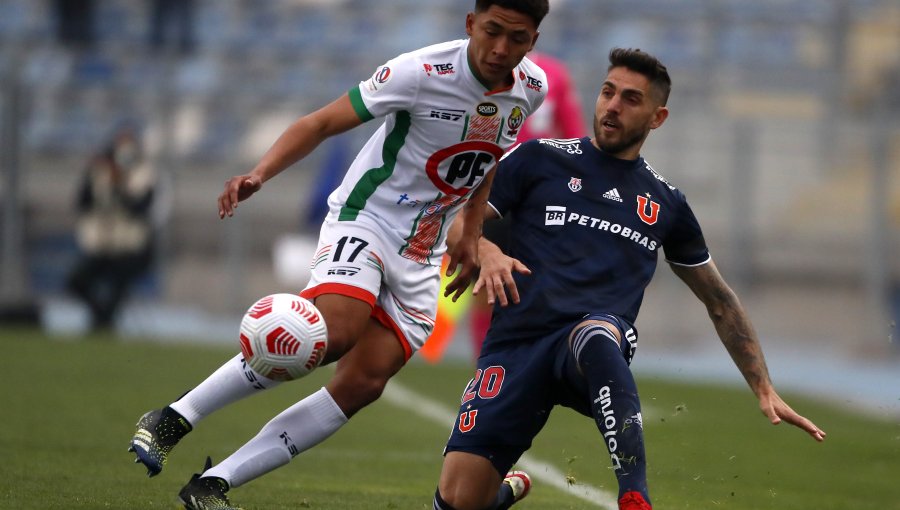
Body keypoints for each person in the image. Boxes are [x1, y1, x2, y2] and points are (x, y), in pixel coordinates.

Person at [128, 2, 550, 509]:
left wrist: (472, 226)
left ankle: (212, 484)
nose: (502, 48)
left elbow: (488, 157)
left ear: (534, 39)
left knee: (363, 383)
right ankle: (174, 418)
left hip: (422, 253)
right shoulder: (419, 72)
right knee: (334, 333)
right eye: (493, 31)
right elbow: (322, 121)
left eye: (518, 38)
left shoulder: (531, 88)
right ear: (469, 24)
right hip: (367, 219)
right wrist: (260, 174)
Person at [433, 48, 827, 510]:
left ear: (657, 117)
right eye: (607, 92)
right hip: (516, 344)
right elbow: (460, 224)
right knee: (458, 501)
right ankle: (506, 491)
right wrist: (488, 249)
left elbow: (720, 300)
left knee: (596, 335)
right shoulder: (538, 158)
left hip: (590, 343)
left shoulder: (666, 202)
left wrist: (763, 387)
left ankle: (634, 495)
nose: (613, 106)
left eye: (631, 99)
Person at [467, 50, 586, 357]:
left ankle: (500, 362)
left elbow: (573, 134)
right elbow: (574, 133)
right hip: (494, 188)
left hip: (530, 193)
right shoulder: (497, 67)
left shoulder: (550, 73)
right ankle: (487, 362)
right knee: (488, 278)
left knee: (520, 282)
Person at [67, 123, 156, 330]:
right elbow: (83, 202)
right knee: (76, 281)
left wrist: (121, 185)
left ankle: (104, 323)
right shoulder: (100, 171)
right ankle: (100, 316)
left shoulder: (145, 173)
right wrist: (93, 173)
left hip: (130, 248)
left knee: (118, 283)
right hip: (103, 247)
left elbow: (140, 209)